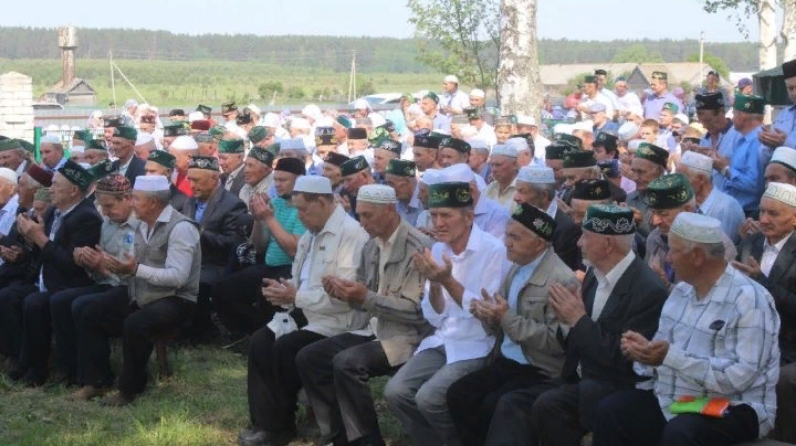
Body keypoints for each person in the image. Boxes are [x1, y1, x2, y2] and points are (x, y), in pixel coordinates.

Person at [488, 204, 667, 446]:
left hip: (613, 386)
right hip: (576, 375)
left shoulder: (647, 290)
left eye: (586, 236)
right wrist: (566, 322)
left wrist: (577, 320)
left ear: (607, 244)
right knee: (510, 402)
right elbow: (571, 337)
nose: (579, 242)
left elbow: (623, 359)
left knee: (547, 405)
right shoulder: (594, 274)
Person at [594, 212, 780, 446]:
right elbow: (662, 356)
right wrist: (644, 353)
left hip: (734, 404)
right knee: (612, 410)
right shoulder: (681, 293)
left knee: (682, 432)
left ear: (697, 256)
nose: (668, 258)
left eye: (673, 250)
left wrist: (669, 357)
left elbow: (739, 377)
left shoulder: (750, 300)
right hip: (676, 399)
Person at [238, 176, 371, 446]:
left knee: (287, 347)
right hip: (308, 311)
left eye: (303, 209)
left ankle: (281, 423)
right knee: (260, 341)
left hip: (339, 320)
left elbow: (344, 298)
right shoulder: (310, 234)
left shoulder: (352, 235)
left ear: (322, 202)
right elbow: (301, 281)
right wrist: (284, 290)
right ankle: (268, 424)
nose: (299, 216)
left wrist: (296, 296)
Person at [296, 184, 433, 446]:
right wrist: (343, 292)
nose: (362, 222)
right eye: (359, 215)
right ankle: (339, 437)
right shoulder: (371, 245)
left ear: (390, 210)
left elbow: (416, 313)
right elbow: (363, 294)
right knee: (310, 357)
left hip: (407, 337)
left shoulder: (417, 247)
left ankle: (368, 442)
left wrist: (364, 297)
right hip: (374, 328)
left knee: (347, 363)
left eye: (368, 215)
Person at [384, 181, 507, 446]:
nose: (438, 223)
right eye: (434, 215)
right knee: (395, 391)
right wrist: (436, 284)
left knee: (429, 398)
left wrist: (447, 280)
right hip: (443, 339)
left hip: (478, 344)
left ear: (469, 217)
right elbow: (435, 316)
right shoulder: (439, 249)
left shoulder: (494, 251)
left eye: (446, 215)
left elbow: (485, 313)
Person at [447, 203, 577, 446]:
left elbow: (558, 343)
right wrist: (487, 313)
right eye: (507, 235)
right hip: (507, 360)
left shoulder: (561, 280)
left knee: (494, 404)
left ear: (539, 244)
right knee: (459, 395)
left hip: (539, 368)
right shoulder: (517, 267)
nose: (507, 243)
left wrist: (506, 317)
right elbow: (501, 322)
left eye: (515, 237)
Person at [75, 175, 200, 405]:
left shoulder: (181, 228)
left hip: (176, 299)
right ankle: (96, 380)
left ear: (153, 202)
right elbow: (129, 267)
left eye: (136, 199)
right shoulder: (141, 225)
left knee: (136, 323)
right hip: (141, 291)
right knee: (90, 311)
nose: (131, 203)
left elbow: (178, 278)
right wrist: (107, 265)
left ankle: (129, 390)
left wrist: (135, 269)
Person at [8, 160, 102, 386]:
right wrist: (25, 245)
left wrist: (38, 237)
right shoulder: (55, 212)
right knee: (9, 296)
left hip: (69, 284)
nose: (50, 189)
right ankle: (19, 359)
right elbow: (43, 252)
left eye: (56, 185)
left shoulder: (86, 217)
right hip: (46, 279)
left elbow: (71, 263)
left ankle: (43, 369)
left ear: (74, 190)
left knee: (35, 303)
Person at [57, 174, 139, 396]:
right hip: (108, 282)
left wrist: (104, 267)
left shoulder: (141, 225)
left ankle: (96, 380)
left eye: (110, 206)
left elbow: (135, 273)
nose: (105, 211)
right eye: (102, 207)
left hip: (133, 288)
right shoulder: (107, 225)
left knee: (86, 307)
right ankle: (69, 370)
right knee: (61, 301)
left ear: (127, 199)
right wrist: (87, 261)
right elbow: (100, 267)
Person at [211, 157, 306, 340]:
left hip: (292, 268)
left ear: (299, 181)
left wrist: (269, 219)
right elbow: (259, 246)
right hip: (269, 265)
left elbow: (294, 250)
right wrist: (258, 219)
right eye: (276, 179)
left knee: (266, 293)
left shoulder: (304, 208)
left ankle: (270, 337)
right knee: (223, 289)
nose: (277, 184)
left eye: (283, 180)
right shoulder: (276, 203)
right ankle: (255, 333)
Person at [734, 182, 796, 443]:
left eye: (774, 214)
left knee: (778, 381)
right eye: (762, 211)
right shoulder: (751, 243)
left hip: (788, 344)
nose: (764, 219)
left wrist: (762, 282)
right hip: (748, 335)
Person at [182, 155, 250, 342]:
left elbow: (233, 244)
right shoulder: (190, 202)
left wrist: (200, 233)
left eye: (197, 180)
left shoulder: (232, 205)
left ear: (214, 179)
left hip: (216, 264)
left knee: (193, 282)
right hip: (189, 260)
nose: (191, 185)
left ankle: (202, 332)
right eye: (190, 179)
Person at [644, 173, 736, 289]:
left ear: (687, 210)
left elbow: (717, 293)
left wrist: (667, 286)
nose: (655, 221)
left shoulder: (715, 245)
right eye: (653, 213)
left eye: (663, 214)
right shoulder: (654, 238)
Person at [514, 166, 581, 270]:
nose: (515, 197)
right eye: (516, 191)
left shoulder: (565, 228)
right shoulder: (520, 213)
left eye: (522, 192)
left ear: (544, 195)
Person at [713, 95, 766, 217]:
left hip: (747, 213)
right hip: (736, 209)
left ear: (742, 116)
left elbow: (754, 185)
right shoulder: (743, 139)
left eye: (734, 114)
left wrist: (724, 169)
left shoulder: (757, 141)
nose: (732, 118)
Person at [678, 151, 745, 244]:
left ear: (701, 179)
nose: (678, 183)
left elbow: (724, 249)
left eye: (682, 178)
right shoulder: (687, 204)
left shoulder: (727, 208)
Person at [627, 143, 670, 239]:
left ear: (659, 171)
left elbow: (668, 241)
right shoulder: (631, 197)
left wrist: (641, 224)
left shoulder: (671, 202)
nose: (635, 178)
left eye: (641, 172)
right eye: (633, 171)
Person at [385, 159, 423, 226]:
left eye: (391, 184)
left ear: (408, 182)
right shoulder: (393, 202)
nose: (389, 189)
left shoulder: (425, 201)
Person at [485, 144, 520, 212]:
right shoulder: (491, 187)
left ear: (515, 164)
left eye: (498, 165)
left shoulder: (523, 190)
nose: (493, 169)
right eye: (492, 165)